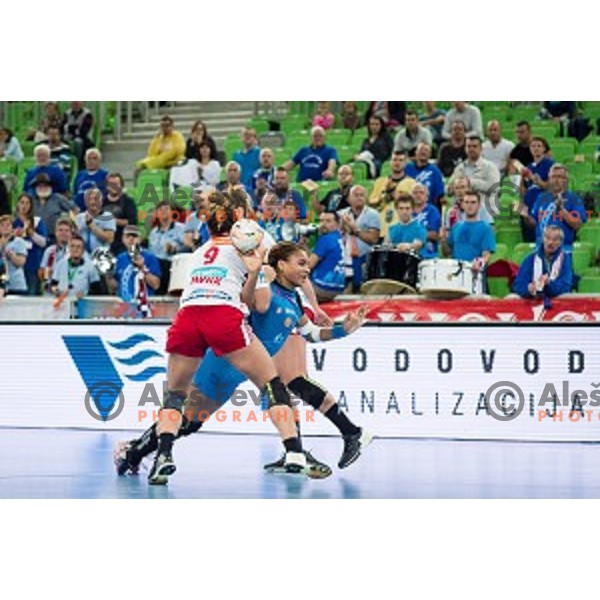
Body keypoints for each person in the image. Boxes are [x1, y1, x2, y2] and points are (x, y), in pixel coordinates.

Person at [114, 241, 370, 479]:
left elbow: (313, 334)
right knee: (270, 391)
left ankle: (132, 454)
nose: (307, 269)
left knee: (189, 424)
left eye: (307, 263)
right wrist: (257, 271)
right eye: (300, 263)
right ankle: (295, 451)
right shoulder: (264, 290)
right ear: (281, 265)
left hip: (233, 376)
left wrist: (343, 329)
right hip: (218, 363)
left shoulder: (295, 302)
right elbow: (250, 302)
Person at [148, 194, 309, 484]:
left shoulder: (199, 252)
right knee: (272, 384)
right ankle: (295, 451)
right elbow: (258, 303)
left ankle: (163, 455)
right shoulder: (248, 245)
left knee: (175, 395)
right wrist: (259, 269)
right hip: (222, 314)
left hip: (187, 316)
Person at [521, 164, 586, 251]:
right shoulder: (541, 197)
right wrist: (526, 215)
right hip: (540, 247)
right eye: (553, 177)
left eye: (560, 177)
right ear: (549, 179)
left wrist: (562, 210)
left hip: (563, 248)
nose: (556, 180)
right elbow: (534, 223)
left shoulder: (574, 199)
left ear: (566, 180)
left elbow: (577, 225)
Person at [440, 190, 496, 293]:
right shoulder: (456, 227)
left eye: (473, 202)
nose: (469, 206)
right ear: (462, 205)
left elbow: (486, 255)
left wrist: (478, 263)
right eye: (466, 202)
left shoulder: (486, 228)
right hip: (456, 277)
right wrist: (443, 240)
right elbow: (447, 253)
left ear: (479, 205)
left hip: (475, 278)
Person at [448, 136, 501, 221]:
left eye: (474, 146)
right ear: (465, 148)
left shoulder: (490, 167)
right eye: (468, 146)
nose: (471, 149)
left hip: (485, 212)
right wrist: (455, 187)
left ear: (481, 149)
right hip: (462, 213)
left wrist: (470, 182)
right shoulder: (460, 168)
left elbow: (494, 188)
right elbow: (448, 189)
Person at [339, 185, 381, 293]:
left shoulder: (373, 214)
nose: (359, 198)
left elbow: (373, 239)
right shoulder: (341, 214)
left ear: (366, 198)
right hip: (344, 257)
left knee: (361, 289)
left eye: (361, 195)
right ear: (349, 198)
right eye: (355, 195)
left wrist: (355, 230)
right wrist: (342, 227)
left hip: (364, 258)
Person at [512, 225, 573, 299]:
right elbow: (518, 285)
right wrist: (528, 289)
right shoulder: (531, 259)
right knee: (512, 297)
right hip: (532, 299)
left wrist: (549, 283)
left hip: (556, 299)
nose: (550, 242)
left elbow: (565, 287)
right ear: (543, 239)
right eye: (547, 238)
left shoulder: (565, 259)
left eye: (555, 239)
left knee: (565, 296)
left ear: (560, 242)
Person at [109, 225, 161, 310]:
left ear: (140, 239)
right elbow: (113, 288)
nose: (131, 239)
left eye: (134, 236)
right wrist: (108, 274)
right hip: (124, 308)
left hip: (145, 307)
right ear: (123, 239)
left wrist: (142, 268)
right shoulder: (119, 258)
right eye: (128, 236)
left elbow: (156, 285)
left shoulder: (150, 257)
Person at [368, 150, 416, 240]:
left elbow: (411, 205)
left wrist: (393, 192)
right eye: (394, 160)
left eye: (400, 160)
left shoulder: (411, 183)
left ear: (405, 163)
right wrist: (384, 195)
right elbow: (371, 204)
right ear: (390, 162)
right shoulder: (380, 181)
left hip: (401, 230)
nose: (397, 163)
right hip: (381, 229)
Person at [12, 193, 47, 295]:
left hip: (33, 264)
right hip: (16, 266)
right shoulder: (13, 223)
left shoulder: (37, 221)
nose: (24, 205)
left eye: (27, 203)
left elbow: (43, 243)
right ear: (18, 204)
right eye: (22, 202)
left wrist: (31, 233)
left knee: (32, 295)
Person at [148, 201, 185, 294]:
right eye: (160, 210)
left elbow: (188, 247)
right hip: (156, 266)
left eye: (166, 209)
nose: (163, 212)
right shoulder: (153, 233)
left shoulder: (181, 228)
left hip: (172, 265)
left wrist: (174, 249)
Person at [309, 211, 346, 301]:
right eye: (321, 221)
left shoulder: (325, 239)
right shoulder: (340, 238)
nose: (323, 224)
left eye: (328, 221)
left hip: (322, 287)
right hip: (339, 287)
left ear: (337, 224)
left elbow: (309, 265)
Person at [31, 173, 78, 244]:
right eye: (40, 186)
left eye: (45, 185)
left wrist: (71, 224)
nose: (43, 188)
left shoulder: (58, 198)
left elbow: (74, 209)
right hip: (36, 237)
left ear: (50, 186)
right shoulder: (31, 200)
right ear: (36, 187)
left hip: (55, 238)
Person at [50, 234, 101, 300]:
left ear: (83, 250)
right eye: (72, 246)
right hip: (62, 303)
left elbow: (97, 289)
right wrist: (56, 291)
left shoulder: (90, 266)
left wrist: (85, 295)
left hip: (82, 303)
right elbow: (53, 284)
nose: (75, 249)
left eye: (78, 247)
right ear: (69, 249)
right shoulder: (60, 264)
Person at [102, 173, 138, 256]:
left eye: (116, 184)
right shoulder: (101, 202)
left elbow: (132, 222)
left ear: (121, 186)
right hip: (103, 240)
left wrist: (112, 221)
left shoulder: (128, 202)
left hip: (122, 242)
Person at [404, 143, 445, 209]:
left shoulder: (435, 171)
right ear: (416, 152)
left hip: (428, 209)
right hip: (408, 208)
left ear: (430, 154)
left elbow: (440, 195)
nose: (423, 152)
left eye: (426, 150)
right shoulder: (407, 168)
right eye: (421, 150)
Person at [75, 188, 116, 254]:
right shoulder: (79, 217)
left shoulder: (108, 216)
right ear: (86, 202)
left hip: (101, 255)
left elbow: (110, 239)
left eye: (96, 199)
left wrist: (92, 225)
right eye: (90, 199)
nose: (93, 202)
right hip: (82, 255)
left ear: (101, 201)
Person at [39, 217, 73, 294]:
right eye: (60, 230)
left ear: (71, 233)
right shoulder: (49, 251)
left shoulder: (75, 251)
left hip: (69, 291)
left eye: (66, 230)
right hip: (50, 292)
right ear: (55, 233)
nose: (63, 233)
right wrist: (47, 273)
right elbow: (41, 273)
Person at [411, 184, 441, 259]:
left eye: (421, 193)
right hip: (410, 252)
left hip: (428, 253)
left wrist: (412, 232)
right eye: (415, 193)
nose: (418, 195)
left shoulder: (432, 211)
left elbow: (434, 235)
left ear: (427, 197)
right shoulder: (407, 210)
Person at [0, 215, 28, 295]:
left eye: (8, 225)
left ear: (12, 227)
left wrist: (12, 256)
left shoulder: (19, 242)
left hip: (17, 285)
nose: (5, 227)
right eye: (2, 225)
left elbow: (21, 262)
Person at [62, 101, 94, 169]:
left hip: (84, 138)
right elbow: (62, 127)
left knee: (77, 142)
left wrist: (70, 128)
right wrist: (75, 128)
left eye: (77, 103)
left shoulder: (87, 114)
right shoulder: (67, 113)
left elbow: (84, 131)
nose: (75, 105)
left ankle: (78, 164)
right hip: (68, 136)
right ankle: (65, 163)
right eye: (73, 103)